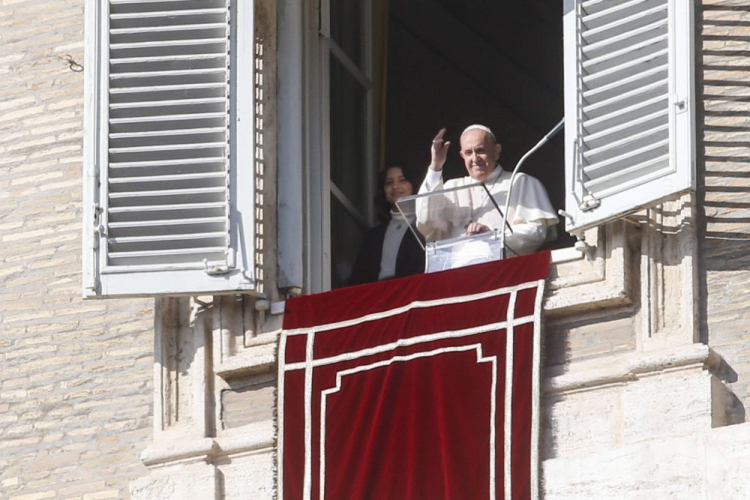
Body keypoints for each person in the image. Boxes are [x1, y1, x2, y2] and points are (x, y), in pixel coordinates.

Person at [416, 125, 558, 256]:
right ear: (462, 156)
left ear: (496, 151)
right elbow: (426, 219)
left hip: (504, 269)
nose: (475, 158)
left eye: (480, 150)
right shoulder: (452, 187)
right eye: (468, 153)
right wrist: (435, 166)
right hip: (458, 271)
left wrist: (494, 237)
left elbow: (536, 231)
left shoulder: (520, 182)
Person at [350, 166, 425, 285]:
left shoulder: (428, 227)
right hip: (380, 299)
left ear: (414, 184)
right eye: (389, 182)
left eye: (402, 180)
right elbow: (358, 280)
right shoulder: (373, 236)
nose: (395, 186)